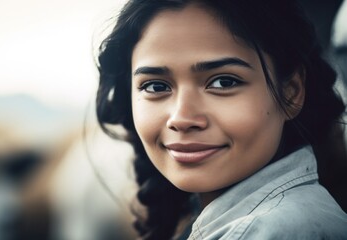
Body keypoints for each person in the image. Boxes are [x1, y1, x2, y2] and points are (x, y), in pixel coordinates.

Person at [95, 0, 347, 239]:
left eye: (223, 82)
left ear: (291, 92)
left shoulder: (272, 232)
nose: (182, 118)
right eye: (155, 86)